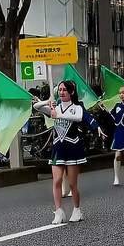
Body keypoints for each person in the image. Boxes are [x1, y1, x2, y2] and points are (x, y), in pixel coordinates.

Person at [33, 81, 103, 224]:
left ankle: (77, 210)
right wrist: (48, 102)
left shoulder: (77, 107)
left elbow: (78, 117)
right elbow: (36, 106)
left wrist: (57, 115)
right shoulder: (55, 107)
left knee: (72, 184)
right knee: (57, 181)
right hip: (58, 148)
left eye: (65, 90)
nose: (62, 92)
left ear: (71, 92)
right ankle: (58, 211)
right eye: (60, 90)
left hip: (73, 148)